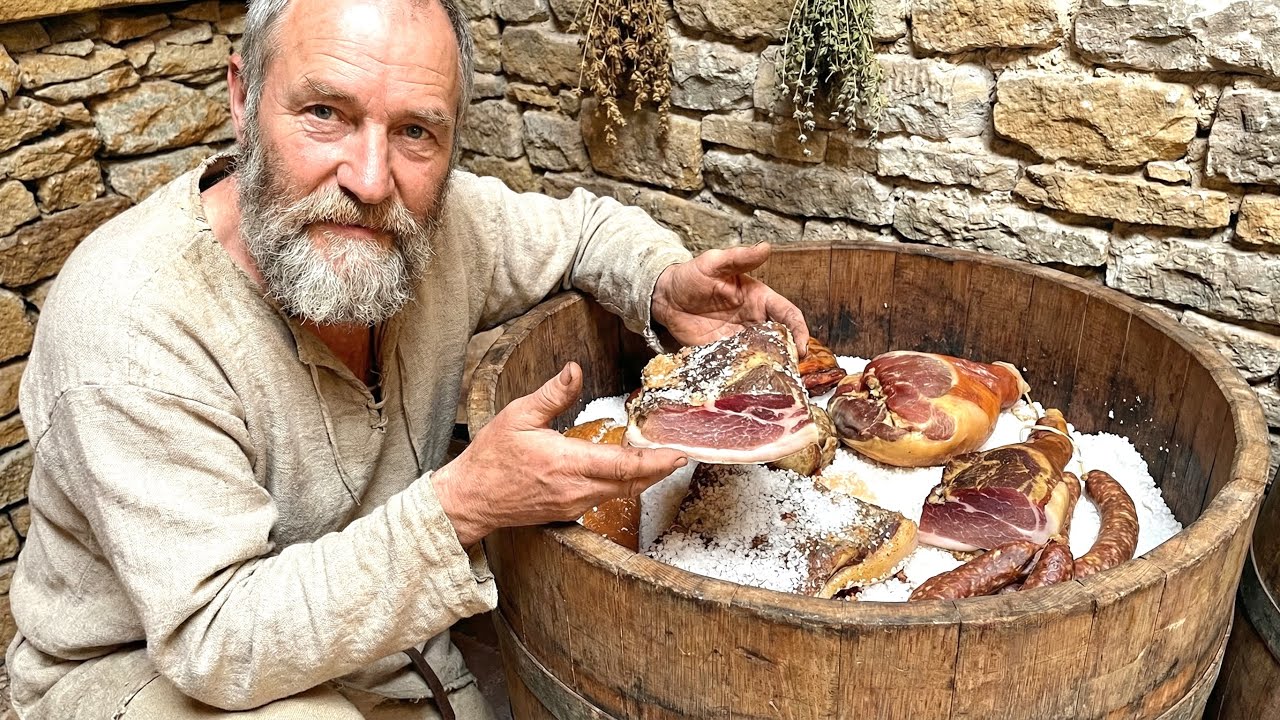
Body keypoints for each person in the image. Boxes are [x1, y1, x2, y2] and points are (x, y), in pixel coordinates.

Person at [4, 0, 809, 717]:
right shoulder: (135, 320)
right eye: (325, 112)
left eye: (416, 131)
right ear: (244, 100)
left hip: (379, 653)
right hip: (145, 673)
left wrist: (661, 282)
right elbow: (218, 640)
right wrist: (460, 506)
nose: (369, 178)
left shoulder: (438, 227)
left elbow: (585, 228)